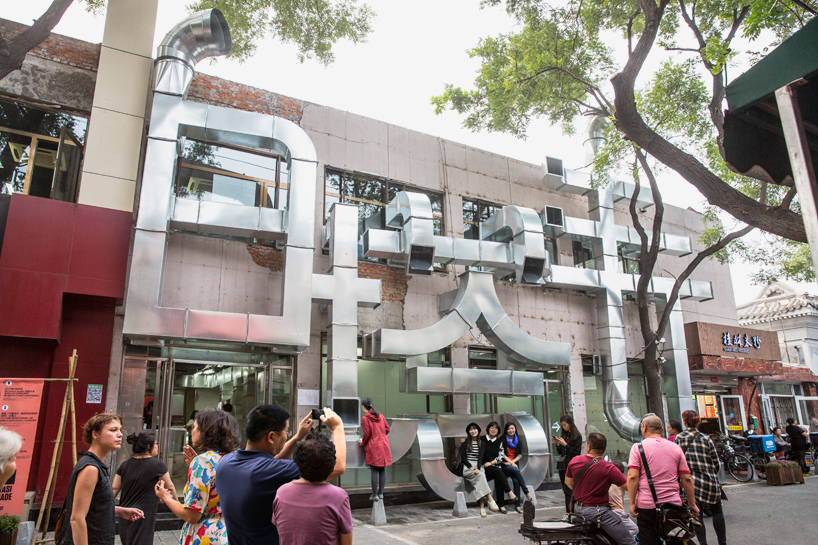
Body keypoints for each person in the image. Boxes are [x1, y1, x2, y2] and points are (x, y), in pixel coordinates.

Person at [216, 406, 346, 545]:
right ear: (271, 436)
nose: (287, 436)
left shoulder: (225, 462)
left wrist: (297, 437)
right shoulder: (270, 472)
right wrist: (338, 428)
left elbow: (269, 462)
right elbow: (336, 467)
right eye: (286, 432)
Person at [154, 408, 238, 545]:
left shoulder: (203, 462)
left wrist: (166, 497)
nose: (192, 431)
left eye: (195, 427)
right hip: (228, 534)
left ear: (206, 431)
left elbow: (192, 515)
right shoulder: (232, 458)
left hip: (205, 536)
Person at [58, 414, 144, 545]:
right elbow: (76, 518)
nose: (120, 434)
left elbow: (94, 506)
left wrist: (120, 511)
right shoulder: (90, 468)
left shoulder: (96, 465)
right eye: (113, 430)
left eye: (120, 430)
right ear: (95, 434)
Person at [627, 414, 699, 545]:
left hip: (647, 505)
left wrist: (632, 503)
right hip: (673, 505)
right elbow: (686, 478)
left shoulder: (638, 448)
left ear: (644, 428)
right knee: (675, 540)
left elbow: (632, 477)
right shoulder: (675, 447)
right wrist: (692, 503)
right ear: (661, 429)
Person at [273, 430, 353, 545]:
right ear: (331, 464)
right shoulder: (339, 496)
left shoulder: (282, 492)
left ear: (297, 461)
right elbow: (346, 541)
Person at [565, 432, 636, 545]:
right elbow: (630, 487)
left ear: (589, 446)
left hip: (577, 509)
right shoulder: (609, 468)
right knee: (629, 541)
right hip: (599, 512)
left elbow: (568, 482)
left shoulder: (575, 461)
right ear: (604, 449)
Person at [113, 432, 176, 545]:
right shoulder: (157, 465)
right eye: (155, 444)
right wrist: (177, 505)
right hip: (143, 515)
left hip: (125, 514)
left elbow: (114, 488)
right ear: (148, 446)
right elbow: (170, 486)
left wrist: (106, 505)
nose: (157, 447)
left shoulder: (125, 464)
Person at [676, 410, 726, 545]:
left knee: (696, 514)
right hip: (709, 479)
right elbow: (715, 461)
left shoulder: (679, 438)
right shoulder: (705, 438)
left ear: (685, 422)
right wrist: (712, 472)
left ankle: (703, 543)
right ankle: (722, 542)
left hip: (690, 481)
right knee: (717, 511)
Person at [458, 423, 500, 517]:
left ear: (478, 430)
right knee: (481, 476)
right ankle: (490, 498)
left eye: (475, 429)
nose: (473, 431)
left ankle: (482, 508)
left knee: (480, 481)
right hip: (467, 467)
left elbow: (481, 457)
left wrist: (478, 467)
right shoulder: (465, 443)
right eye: (471, 429)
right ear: (468, 432)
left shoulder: (482, 443)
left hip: (478, 465)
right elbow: (463, 458)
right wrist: (470, 467)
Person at [481, 421, 517, 514]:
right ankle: (509, 492)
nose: (493, 430)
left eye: (496, 428)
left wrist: (491, 462)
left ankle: (501, 505)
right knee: (498, 472)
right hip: (484, 467)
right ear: (488, 429)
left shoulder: (499, 442)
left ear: (498, 431)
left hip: (494, 466)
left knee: (499, 476)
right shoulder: (481, 439)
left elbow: (501, 456)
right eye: (492, 428)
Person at [359, 398, 391, 501]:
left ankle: (374, 495)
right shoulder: (380, 416)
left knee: (374, 469)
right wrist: (381, 436)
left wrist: (362, 442)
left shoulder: (365, 418)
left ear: (363, 407)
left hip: (373, 445)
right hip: (384, 444)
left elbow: (367, 434)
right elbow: (387, 429)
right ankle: (381, 494)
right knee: (382, 469)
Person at [501, 422, 533, 514]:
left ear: (515, 429)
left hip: (513, 464)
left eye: (512, 428)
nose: (511, 430)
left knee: (516, 481)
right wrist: (511, 463)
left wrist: (513, 462)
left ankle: (517, 505)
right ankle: (526, 492)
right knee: (516, 470)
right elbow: (502, 454)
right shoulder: (502, 439)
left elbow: (520, 454)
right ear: (506, 430)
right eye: (509, 429)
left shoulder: (518, 440)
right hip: (505, 464)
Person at [554, 414, 583, 512]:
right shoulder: (565, 435)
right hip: (563, 465)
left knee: (570, 490)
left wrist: (566, 445)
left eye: (565, 425)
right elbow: (561, 452)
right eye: (562, 425)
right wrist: (558, 444)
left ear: (570, 424)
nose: (563, 427)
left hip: (572, 465)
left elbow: (575, 453)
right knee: (565, 490)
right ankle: (568, 511)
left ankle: (570, 511)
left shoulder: (577, 437)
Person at [608, 461, 638, 536]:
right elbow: (633, 489)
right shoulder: (621, 483)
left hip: (607, 512)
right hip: (618, 512)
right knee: (635, 529)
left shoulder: (606, 482)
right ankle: (619, 538)